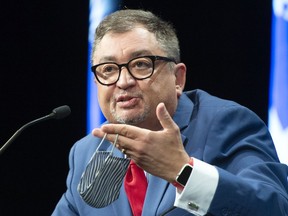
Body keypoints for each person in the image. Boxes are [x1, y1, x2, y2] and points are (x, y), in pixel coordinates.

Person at [52, 9, 288, 216]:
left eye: (141, 64)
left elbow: (275, 208)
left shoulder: (225, 123)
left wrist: (183, 171)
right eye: (108, 69)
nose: (123, 81)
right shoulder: (86, 152)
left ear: (178, 78)